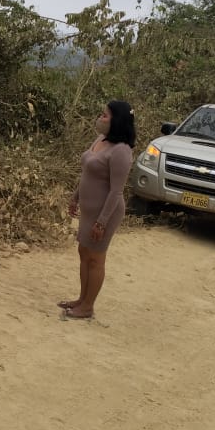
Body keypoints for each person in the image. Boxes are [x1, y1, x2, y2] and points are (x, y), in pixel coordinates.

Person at [58, 100, 136, 319]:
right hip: (89, 210)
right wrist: (75, 197)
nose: (100, 118)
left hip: (106, 212)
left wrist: (102, 222)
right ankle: (81, 299)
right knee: (84, 253)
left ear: (117, 121)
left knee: (96, 258)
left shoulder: (121, 151)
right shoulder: (101, 140)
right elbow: (87, 173)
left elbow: (116, 191)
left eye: (105, 115)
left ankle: (88, 307)